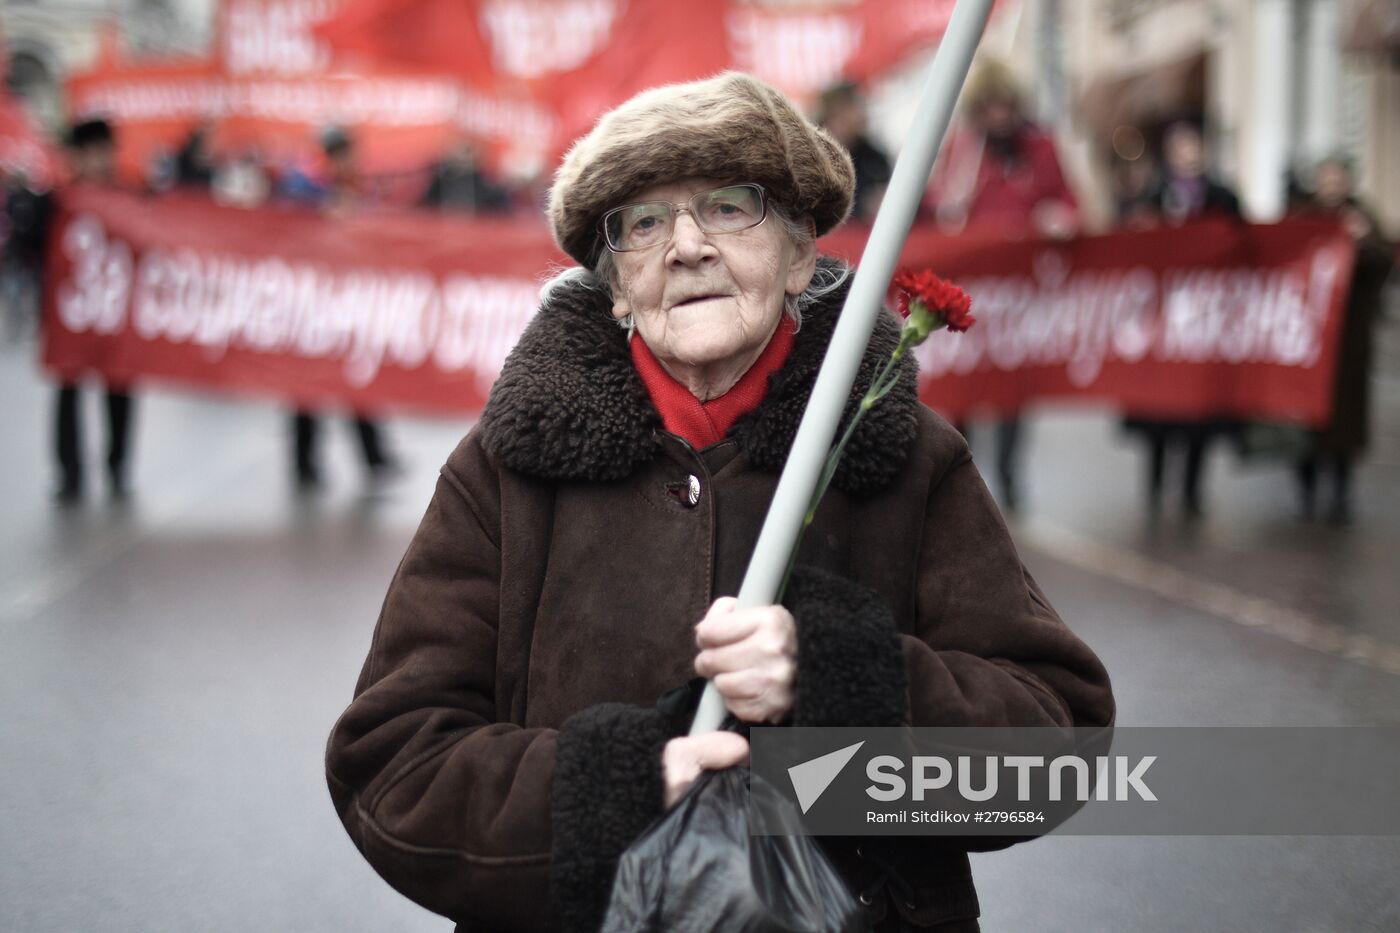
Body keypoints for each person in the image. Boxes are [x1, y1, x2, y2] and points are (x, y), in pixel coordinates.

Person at [325, 72, 1114, 933]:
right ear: (615, 285)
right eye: (643, 223)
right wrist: (620, 786)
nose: (686, 247)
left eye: (730, 206)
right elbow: (394, 767)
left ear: (802, 251)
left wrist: (844, 684)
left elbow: (1053, 748)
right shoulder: (507, 471)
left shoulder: (910, 458)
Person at [923, 59, 1080, 512]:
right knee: (966, 388)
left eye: (1004, 105)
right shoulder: (965, 151)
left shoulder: (1041, 147)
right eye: (988, 107)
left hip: (1019, 296)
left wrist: (1059, 219)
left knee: (1013, 387)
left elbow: (1068, 200)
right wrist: (945, 198)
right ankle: (962, 475)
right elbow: (936, 207)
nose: (997, 115)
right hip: (972, 293)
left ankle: (1010, 477)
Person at [1122, 119, 1243, 518]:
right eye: (1181, 149)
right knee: (1161, 408)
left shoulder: (1223, 197)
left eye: (1194, 148)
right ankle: (1155, 487)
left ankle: (1191, 490)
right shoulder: (1152, 196)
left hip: (1205, 322)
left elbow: (1246, 245)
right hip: (1162, 321)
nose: (1189, 156)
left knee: (1198, 410)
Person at [279, 127, 398, 489]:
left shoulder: (361, 191)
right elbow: (283, 226)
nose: (350, 161)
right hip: (310, 304)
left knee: (356, 375)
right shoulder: (303, 189)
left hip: (349, 302)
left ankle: (374, 455)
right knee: (306, 383)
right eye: (344, 154)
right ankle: (304, 462)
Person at [1289, 156, 1395, 524]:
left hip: (1348, 342)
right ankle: (1306, 488)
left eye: (1338, 179)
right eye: (1326, 179)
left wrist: (1361, 240)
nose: (1332, 186)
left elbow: (1383, 262)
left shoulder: (1363, 218)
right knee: (1308, 420)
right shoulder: (1304, 218)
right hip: (1309, 341)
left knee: (1344, 423)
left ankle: (1340, 492)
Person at [50, 118, 136, 503]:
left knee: (118, 389)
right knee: (69, 390)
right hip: (72, 313)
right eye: (91, 153)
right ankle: (70, 472)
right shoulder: (58, 201)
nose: (99, 161)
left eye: (104, 153)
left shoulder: (128, 198)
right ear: (77, 158)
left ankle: (117, 465)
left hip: (117, 314)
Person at [815, 80, 891, 223]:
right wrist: (861, 207)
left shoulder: (872, 155)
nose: (860, 112)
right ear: (834, 113)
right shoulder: (810, 154)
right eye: (852, 105)